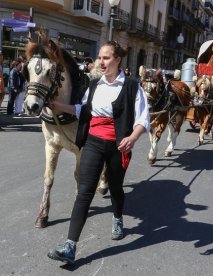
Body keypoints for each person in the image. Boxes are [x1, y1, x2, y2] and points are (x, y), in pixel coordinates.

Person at [46, 41, 150, 265]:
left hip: (118, 145)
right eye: (99, 58)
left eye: (105, 58)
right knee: (84, 192)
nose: (100, 62)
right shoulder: (94, 85)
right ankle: (70, 246)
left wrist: (132, 138)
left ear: (117, 60)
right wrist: (58, 105)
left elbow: (143, 120)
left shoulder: (132, 86)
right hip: (93, 142)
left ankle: (118, 217)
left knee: (115, 188)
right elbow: (82, 109)